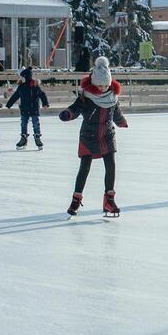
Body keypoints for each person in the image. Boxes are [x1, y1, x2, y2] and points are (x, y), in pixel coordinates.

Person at [59, 56, 128, 218]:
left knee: (111, 165)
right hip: (89, 135)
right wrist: (68, 114)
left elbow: (116, 113)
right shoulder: (86, 96)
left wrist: (122, 122)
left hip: (107, 135)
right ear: (94, 83)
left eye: (106, 84)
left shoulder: (112, 96)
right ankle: (76, 200)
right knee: (85, 168)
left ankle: (109, 201)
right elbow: (75, 108)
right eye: (100, 85)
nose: (103, 88)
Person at [6, 66, 50, 149]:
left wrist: (45, 103)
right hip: (24, 109)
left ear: (25, 77)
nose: (21, 78)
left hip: (34, 109)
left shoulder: (35, 86)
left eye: (22, 77)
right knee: (23, 124)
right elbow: (15, 96)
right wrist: (9, 104)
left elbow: (42, 95)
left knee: (36, 124)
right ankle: (23, 138)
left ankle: (37, 138)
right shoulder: (21, 87)